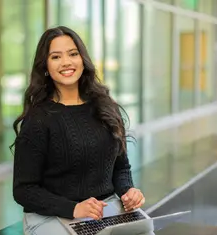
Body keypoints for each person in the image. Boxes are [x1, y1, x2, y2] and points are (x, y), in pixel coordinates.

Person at [11, 26, 145, 234]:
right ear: (45, 66)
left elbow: (121, 168)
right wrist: (74, 208)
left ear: (83, 59)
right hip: (51, 217)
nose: (66, 62)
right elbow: (24, 190)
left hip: (104, 210)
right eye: (56, 57)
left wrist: (128, 191)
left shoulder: (106, 107)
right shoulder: (38, 120)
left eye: (73, 54)